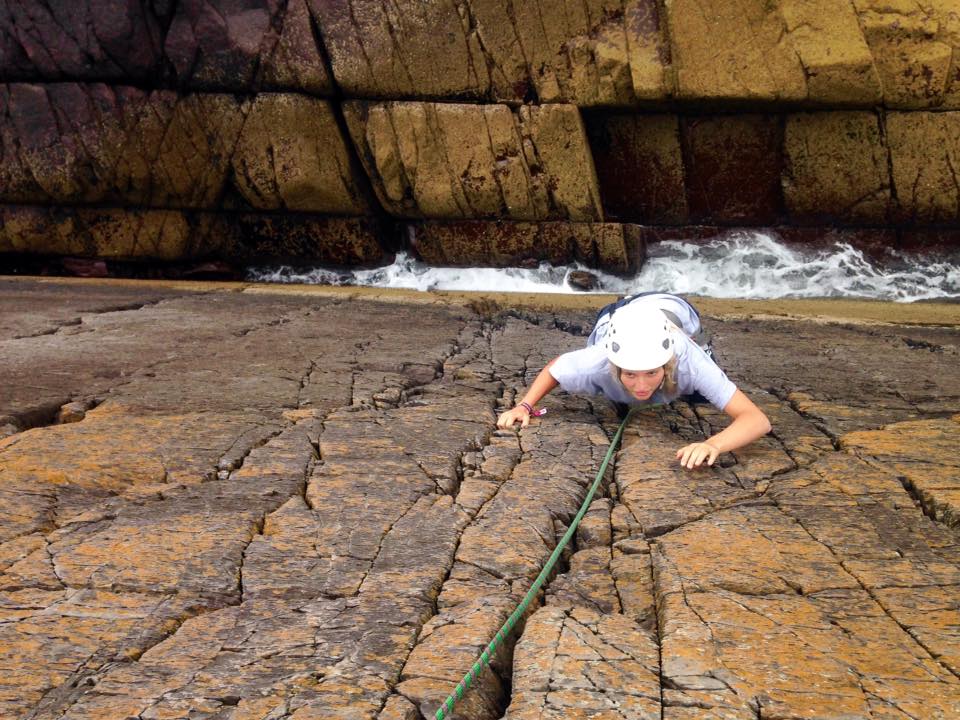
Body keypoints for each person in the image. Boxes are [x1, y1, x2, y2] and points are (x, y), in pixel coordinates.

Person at [496, 293, 771, 469]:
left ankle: (689, 340)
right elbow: (555, 369)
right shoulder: (598, 361)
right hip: (614, 316)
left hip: (670, 307)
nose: (641, 386)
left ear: (666, 363)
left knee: (696, 380)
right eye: (630, 374)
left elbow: (757, 420)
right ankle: (629, 299)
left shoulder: (688, 361)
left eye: (651, 372)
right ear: (616, 366)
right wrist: (524, 406)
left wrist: (713, 445)